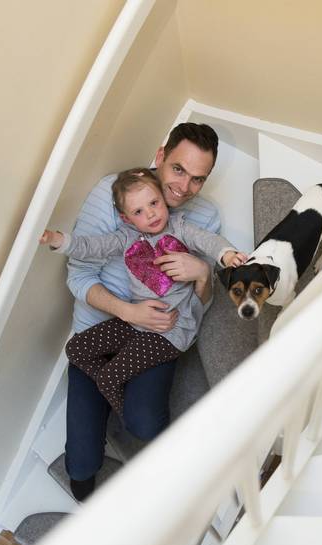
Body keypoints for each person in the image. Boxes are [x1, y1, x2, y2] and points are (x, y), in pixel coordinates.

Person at [63, 123, 223, 501]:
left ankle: (128, 402)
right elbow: (78, 275)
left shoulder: (204, 217)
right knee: (80, 469)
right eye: (178, 169)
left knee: (144, 425)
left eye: (197, 179)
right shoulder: (115, 192)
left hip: (158, 333)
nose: (183, 188)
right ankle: (107, 392)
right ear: (160, 155)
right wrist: (127, 312)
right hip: (103, 326)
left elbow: (201, 305)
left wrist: (203, 274)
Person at [41, 168, 245, 415]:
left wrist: (227, 254)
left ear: (163, 199)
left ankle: (126, 412)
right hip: (137, 322)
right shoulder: (125, 237)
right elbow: (91, 246)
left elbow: (207, 240)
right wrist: (57, 240)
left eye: (154, 203)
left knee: (107, 379)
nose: (150, 213)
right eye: (138, 211)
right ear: (127, 219)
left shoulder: (180, 228)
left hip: (170, 330)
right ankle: (124, 392)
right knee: (75, 349)